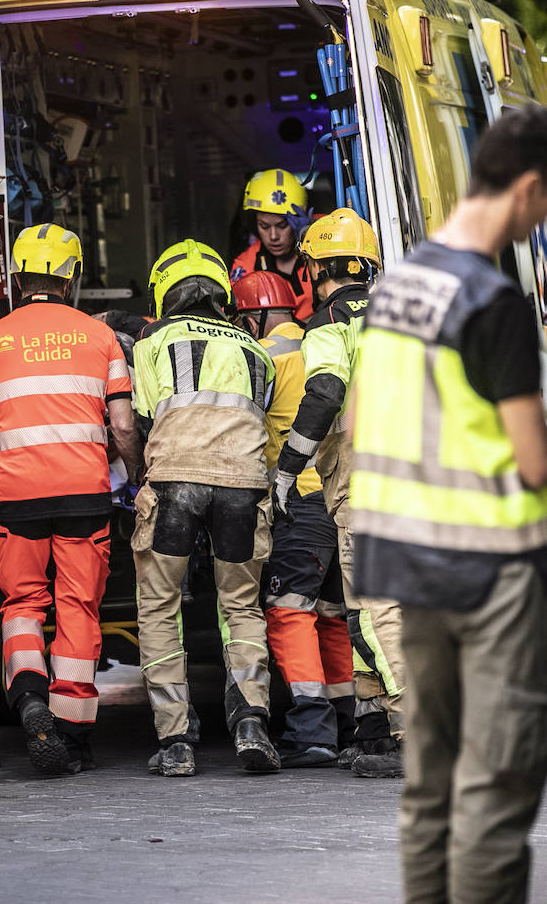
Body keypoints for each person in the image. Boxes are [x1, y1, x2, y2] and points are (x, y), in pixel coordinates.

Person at [350, 105, 547, 901]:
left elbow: (368, 418)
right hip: (496, 573)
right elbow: (535, 462)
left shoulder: (400, 283)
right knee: (496, 789)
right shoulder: (493, 302)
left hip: (407, 562)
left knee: (430, 783)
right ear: (530, 187)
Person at [0, 223, 141, 776]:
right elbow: (122, 426)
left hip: (15, 500)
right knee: (79, 608)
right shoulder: (99, 339)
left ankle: (29, 694)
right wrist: (135, 475)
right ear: (69, 279)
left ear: (17, 278)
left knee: (23, 605)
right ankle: (73, 733)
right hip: (84, 496)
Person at [131, 239, 280, 777]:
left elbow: (143, 418)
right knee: (240, 606)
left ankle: (175, 741)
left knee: (159, 606)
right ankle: (251, 723)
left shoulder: (153, 341)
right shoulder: (255, 348)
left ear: (165, 290)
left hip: (174, 485)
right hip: (243, 484)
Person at [272, 208, 406, 778]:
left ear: (313, 270)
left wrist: (288, 464)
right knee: (373, 613)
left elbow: (325, 392)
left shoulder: (328, 326)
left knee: (376, 616)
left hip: (367, 485)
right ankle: (375, 730)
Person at [232, 270, 355, 767]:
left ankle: (310, 729)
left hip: (297, 501)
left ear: (250, 316)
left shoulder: (263, 359)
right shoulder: (324, 345)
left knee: (288, 608)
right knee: (333, 615)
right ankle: (349, 720)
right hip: (336, 497)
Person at [230, 168, 316, 319]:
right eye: (264, 226)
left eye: (282, 226)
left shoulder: (326, 234)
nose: (273, 236)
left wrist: (312, 237)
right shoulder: (246, 264)